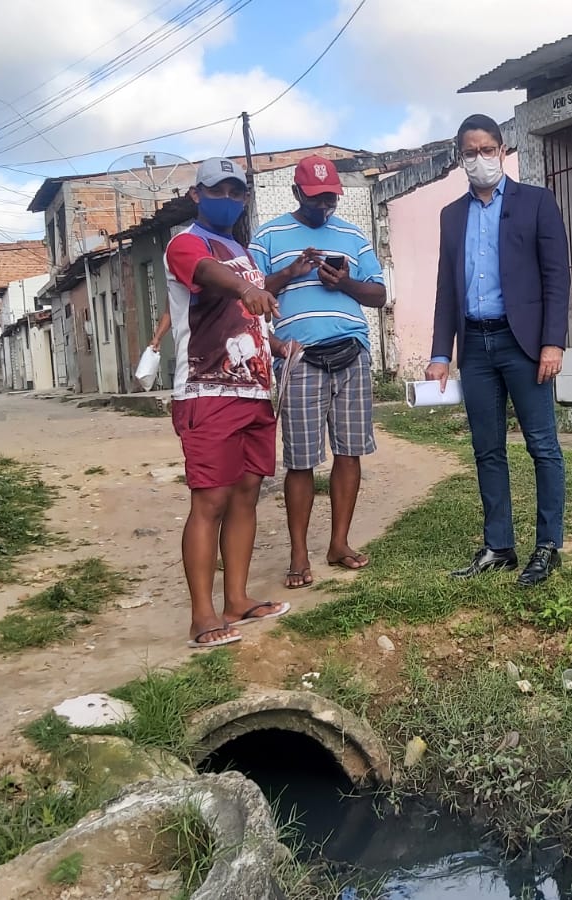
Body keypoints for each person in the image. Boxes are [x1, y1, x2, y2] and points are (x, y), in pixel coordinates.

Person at [426, 114, 570, 587]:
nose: (480, 159)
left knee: (542, 446)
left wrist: (552, 342)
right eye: (471, 152)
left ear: (503, 151)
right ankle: (499, 546)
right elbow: (447, 288)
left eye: (488, 150)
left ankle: (547, 547)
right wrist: (440, 354)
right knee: (487, 449)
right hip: (475, 346)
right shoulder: (452, 216)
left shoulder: (536, 203)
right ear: (460, 158)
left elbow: (557, 277)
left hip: (523, 343)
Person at [165, 157, 290, 649]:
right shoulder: (186, 243)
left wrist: (276, 345)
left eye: (237, 192)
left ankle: (236, 599)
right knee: (210, 500)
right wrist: (246, 286)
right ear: (197, 194)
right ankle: (202, 616)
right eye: (219, 190)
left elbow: (244, 314)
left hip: (254, 390)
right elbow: (210, 276)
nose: (229, 200)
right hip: (207, 388)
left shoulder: (242, 251)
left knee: (245, 495)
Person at [249, 155, 388, 590]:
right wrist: (291, 273)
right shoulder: (269, 235)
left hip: (351, 352)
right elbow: (247, 292)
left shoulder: (352, 235)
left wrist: (343, 283)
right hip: (299, 357)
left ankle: (338, 544)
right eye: (315, 199)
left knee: (350, 453)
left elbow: (379, 295)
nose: (324, 207)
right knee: (301, 460)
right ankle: (298, 554)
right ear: (296, 193)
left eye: (330, 199)